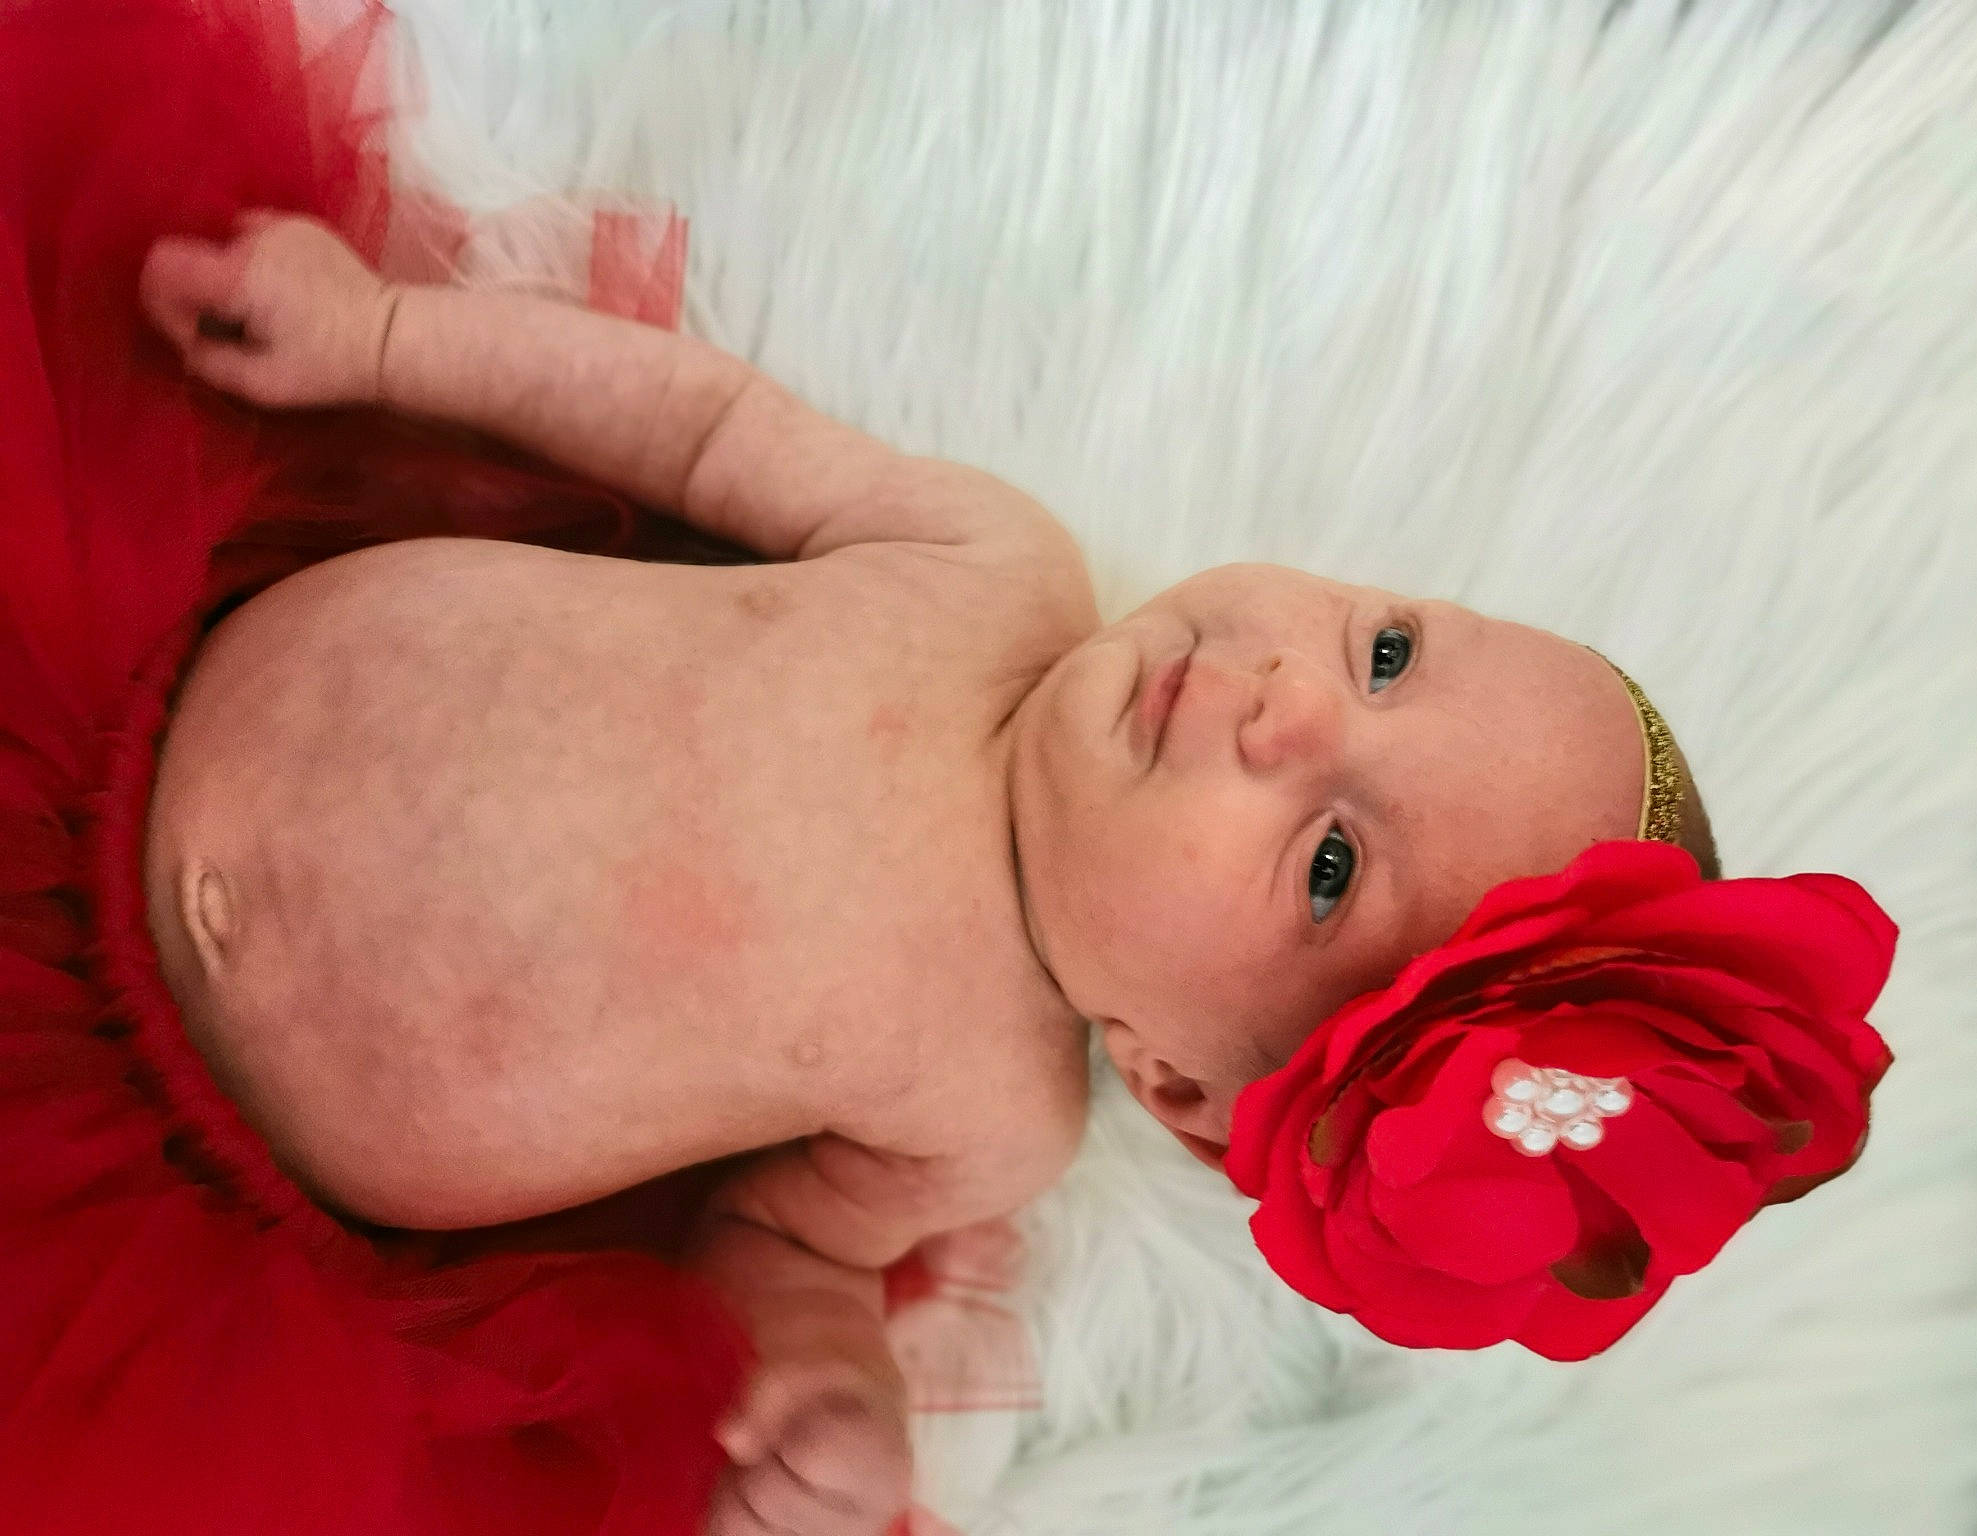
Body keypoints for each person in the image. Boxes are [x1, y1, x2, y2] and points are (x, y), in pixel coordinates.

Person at [135, 207, 1723, 1536]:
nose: (1289, 701)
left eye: (1327, 865)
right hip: (129, 690)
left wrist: (834, 1387)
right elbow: (696, 427)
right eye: (1386, 653)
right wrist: (385, 336)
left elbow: (781, 1246)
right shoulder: (989, 569)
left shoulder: (991, 1116)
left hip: (181, 1168)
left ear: (1174, 1082)